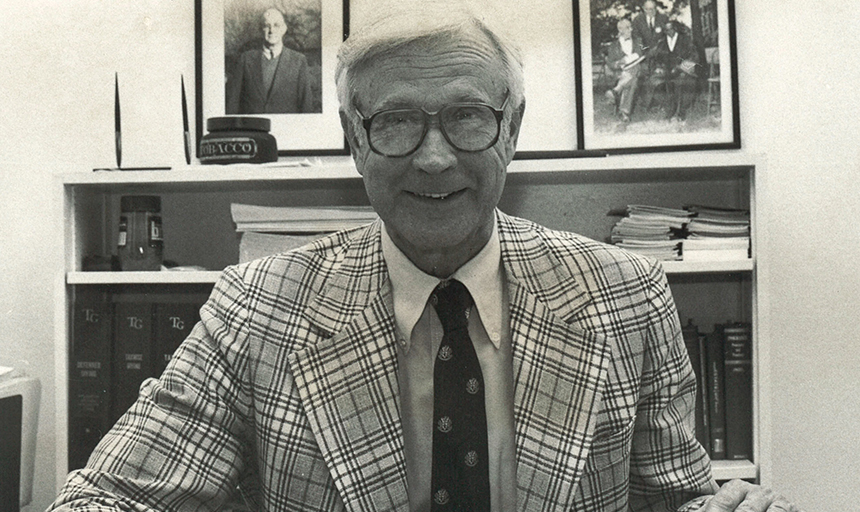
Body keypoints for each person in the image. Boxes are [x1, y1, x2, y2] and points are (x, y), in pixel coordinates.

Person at [50, 4, 802, 511]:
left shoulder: (626, 294)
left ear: (512, 129)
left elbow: (674, 498)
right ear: (355, 139)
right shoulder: (257, 307)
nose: (435, 159)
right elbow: (109, 498)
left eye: (468, 117)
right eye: (398, 121)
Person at [225, 7, 316, 114]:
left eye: (276, 25)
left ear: (284, 29)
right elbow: (233, 104)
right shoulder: (245, 60)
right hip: (253, 129)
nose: (271, 30)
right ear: (260, 29)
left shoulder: (298, 61)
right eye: (267, 26)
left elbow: (306, 107)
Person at [651, 20, 701, 121]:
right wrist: (658, 67)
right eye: (666, 30)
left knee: (683, 81)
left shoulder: (686, 40)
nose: (668, 32)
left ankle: (681, 111)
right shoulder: (662, 43)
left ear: (675, 29)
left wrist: (681, 67)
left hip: (683, 70)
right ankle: (669, 109)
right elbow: (656, 58)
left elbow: (694, 57)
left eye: (670, 29)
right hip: (667, 71)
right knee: (654, 81)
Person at [605, 18, 645, 123]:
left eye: (629, 27)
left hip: (635, 69)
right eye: (626, 28)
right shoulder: (614, 45)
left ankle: (616, 90)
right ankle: (624, 112)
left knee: (633, 70)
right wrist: (618, 63)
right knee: (633, 80)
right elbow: (610, 62)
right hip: (621, 72)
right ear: (620, 30)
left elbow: (640, 53)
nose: (630, 30)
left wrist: (626, 59)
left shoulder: (638, 41)